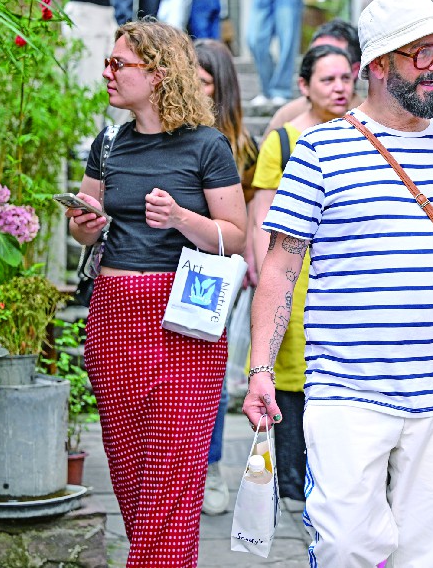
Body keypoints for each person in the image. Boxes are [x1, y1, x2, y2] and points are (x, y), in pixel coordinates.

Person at [243, 0, 433, 566]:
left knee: (426, 555)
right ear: (379, 64)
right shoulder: (320, 149)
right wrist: (261, 370)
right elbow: (280, 267)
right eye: (422, 53)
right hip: (346, 387)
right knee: (344, 545)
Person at [67, 20, 247, 566]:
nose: (107, 72)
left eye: (118, 64)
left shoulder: (207, 145)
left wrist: (182, 218)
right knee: (130, 476)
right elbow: (82, 228)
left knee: (171, 481)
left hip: (184, 322)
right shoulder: (108, 144)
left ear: (159, 73)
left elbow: (236, 236)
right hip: (114, 319)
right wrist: (83, 225)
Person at [249, 44, 354, 509]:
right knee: (291, 380)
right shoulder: (284, 140)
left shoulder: (364, 136)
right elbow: (262, 215)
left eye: (346, 78)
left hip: (344, 284)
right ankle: (293, 484)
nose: (339, 88)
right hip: (294, 280)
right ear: (304, 86)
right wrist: (267, 280)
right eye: (327, 80)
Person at [190, 38, 258, 516]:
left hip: (213, 269)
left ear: (222, 87)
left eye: (204, 80)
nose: (194, 86)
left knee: (209, 373)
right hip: (165, 261)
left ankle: (209, 466)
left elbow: (249, 214)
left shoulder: (241, 145)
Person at [261, 19, 363, 138]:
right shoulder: (288, 116)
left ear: (355, 70)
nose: (338, 87)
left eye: (334, 55)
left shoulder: (370, 118)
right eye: (317, 54)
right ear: (304, 85)